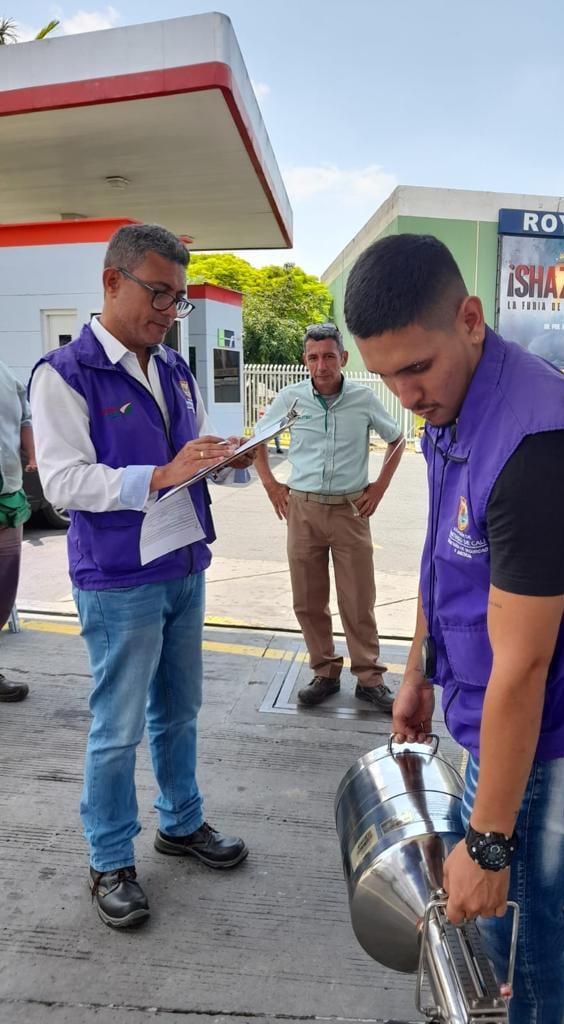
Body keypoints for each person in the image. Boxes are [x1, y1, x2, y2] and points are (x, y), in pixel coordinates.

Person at [343, 234, 564, 1024]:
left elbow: (525, 666)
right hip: (505, 712)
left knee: (521, 924)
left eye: (416, 367)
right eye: (385, 376)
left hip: (554, 722)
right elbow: (446, 561)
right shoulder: (454, 403)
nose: (405, 394)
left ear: (470, 319)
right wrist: (418, 671)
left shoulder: (537, 445)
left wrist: (486, 847)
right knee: (495, 910)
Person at [29, 223, 252, 930]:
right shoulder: (63, 374)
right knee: (117, 727)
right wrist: (158, 475)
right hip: (120, 578)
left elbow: (183, 456)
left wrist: (218, 457)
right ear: (111, 281)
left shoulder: (174, 366)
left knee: (179, 711)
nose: (168, 309)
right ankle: (108, 859)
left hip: (183, 563)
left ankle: (180, 822)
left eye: (178, 299)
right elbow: (63, 482)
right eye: (159, 293)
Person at [254, 322, 404, 713]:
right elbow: (257, 440)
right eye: (314, 357)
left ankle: (369, 679)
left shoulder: (363, 398)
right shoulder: (291, 398)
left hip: (350, 510)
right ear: (305, 360)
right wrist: (271, 484)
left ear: (344, 358)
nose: (322, 366)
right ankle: (324, 671)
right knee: (308, 599)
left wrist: (379, 487)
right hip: (301, 510)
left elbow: (397, 438)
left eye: (329, 357)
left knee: (358, 599)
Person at [0, 358, 36, 702]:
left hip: (7, 497)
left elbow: (25, 419)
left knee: (3, 589)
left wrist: (33, 456)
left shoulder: (7, 374)